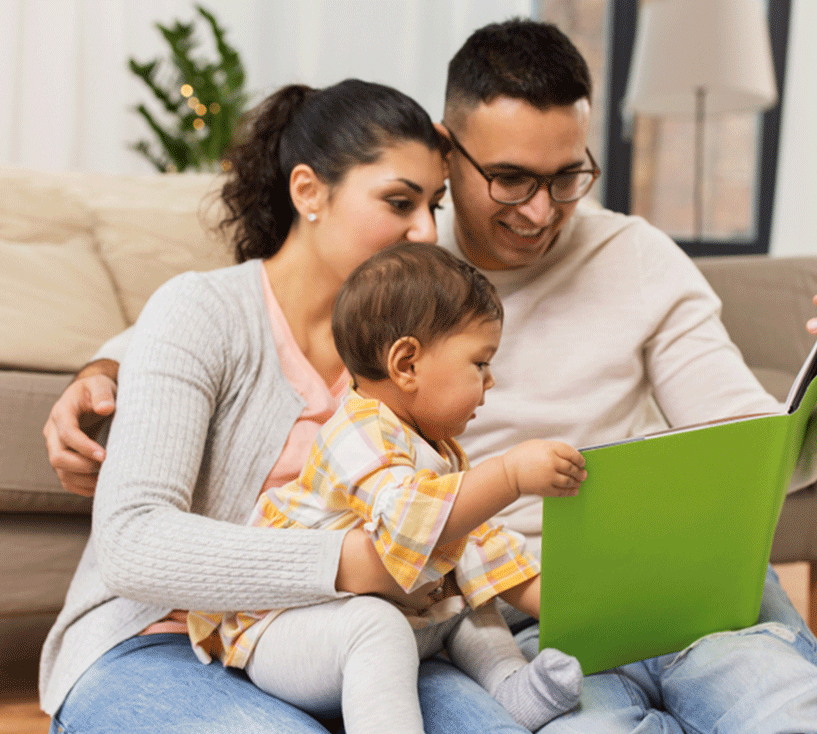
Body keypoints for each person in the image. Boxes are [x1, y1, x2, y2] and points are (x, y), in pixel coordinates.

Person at [45, 20, 817, 734]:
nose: (539, 210)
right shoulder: (391, 275)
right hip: (416, 608)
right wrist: (105, 367)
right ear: (452, 155)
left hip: (518, 599)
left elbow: (746, 453)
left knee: (741, 685)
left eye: (568, 177)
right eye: (510, 180)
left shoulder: (582, 268)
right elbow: (225, 315)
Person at [37, 79, 531, 734]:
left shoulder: (411, 358)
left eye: (433, 204)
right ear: (308, 192)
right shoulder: (205, 312)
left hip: (352, 638)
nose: (427, 230)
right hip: (161, 640)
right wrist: (352, 565)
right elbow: (132, 542)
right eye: (399, 202)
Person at [190, 241, 587, 733]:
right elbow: (411, 523)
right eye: (479, 363)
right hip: (289, 629)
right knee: (378, 628)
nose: (490, 382)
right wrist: (508, 476)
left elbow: (475, 546)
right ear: (406, 364)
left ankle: (509, 684)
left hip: (387, 618)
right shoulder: (356, 432)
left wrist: (571, 609)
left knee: (468, 600)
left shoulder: (435, 447)